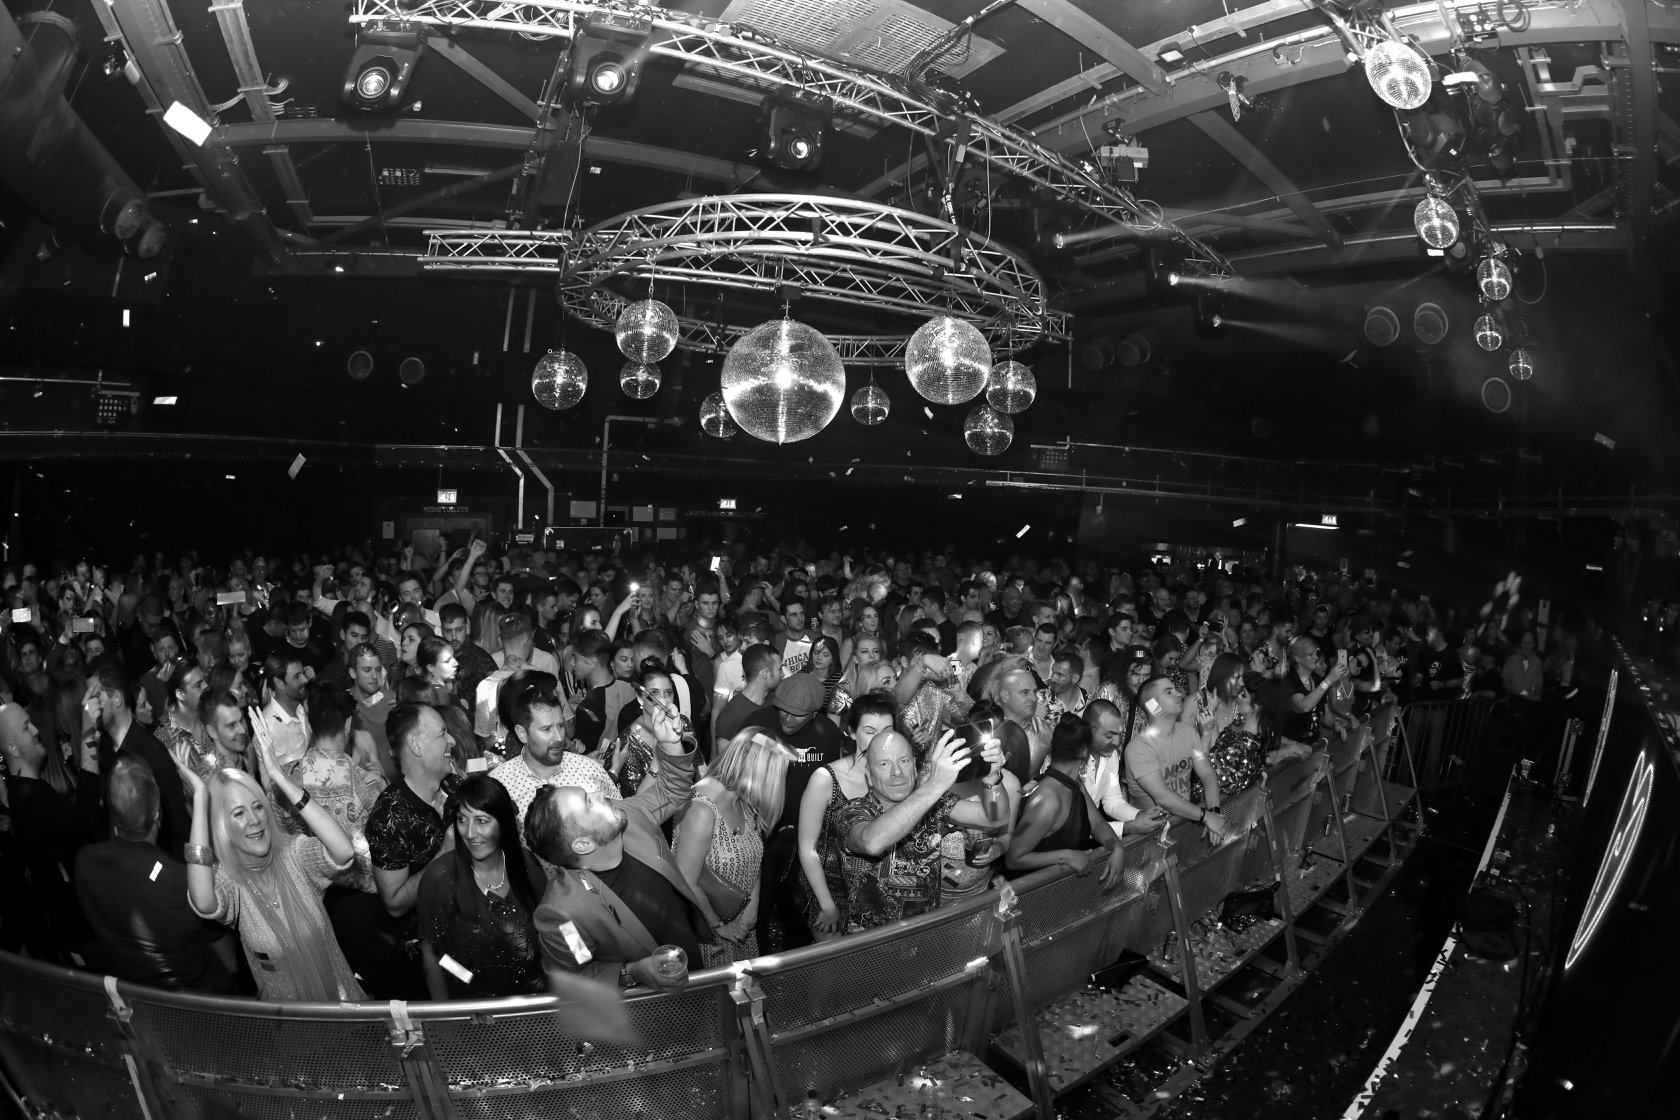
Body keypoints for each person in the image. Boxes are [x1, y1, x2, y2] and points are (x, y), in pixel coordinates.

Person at [178, 719, 366, 1002]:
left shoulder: (294, 855)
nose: (254, 820)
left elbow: (344, 851)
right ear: (222, 827)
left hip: (342, 1006)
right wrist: (201, 797)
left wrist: (280, 777)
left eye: (258, 807)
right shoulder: (231, 882)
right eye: (239, 813)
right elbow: (203, 901)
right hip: (286, 1021)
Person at [525, 701, 706, 991]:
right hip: (649, 1009)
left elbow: (671, 791)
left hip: (699, 973)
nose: (600, 794)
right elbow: (574, 978)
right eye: (588, 803)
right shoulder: (563, 916)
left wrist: (670, 744)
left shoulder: (629, 817)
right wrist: (632, 971)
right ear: (583, 844)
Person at [74, 757, 236, 992]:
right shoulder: (177, 879)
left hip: (135, 993)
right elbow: (226, 955)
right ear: (158, 815)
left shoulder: (85, 861)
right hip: (195, 995)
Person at [833, 729, 993, 932]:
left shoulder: (933, 802)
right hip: (872, 943)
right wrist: (934, 785)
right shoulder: (851, 811)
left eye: (904, 761)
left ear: (915, 768)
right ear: (869, 775)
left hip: (925, 934)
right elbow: (872, 843)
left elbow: (992, 817)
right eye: (884, 764)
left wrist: (992, 778)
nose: (897, 772)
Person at [739, 672, 846, 949]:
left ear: (814, 714)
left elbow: (837, 784)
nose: (787, 719)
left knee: (800, 904)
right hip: (761, 833)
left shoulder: (828, 734)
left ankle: (796, 959)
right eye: (783, 710)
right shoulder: (756, 726)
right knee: (758, 903)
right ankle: (762, 958)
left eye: (797, 715)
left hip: (807, 836)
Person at [416, 774, 547, 1000]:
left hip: (533, 1002)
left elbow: (555, 925)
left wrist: (582, 966)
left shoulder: (525, 863)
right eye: (462, 820)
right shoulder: (439, 877)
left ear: (504, 822)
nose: (469, 833)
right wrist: (446, 1012)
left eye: (482, 821)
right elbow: (433, 954)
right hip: (474, 1007)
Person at [672, 730, 795, 966]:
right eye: (774, 776)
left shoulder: (743, 801)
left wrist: (752, 904)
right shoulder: (701, 810)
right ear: (756, 771)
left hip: (742, 929)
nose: (776, 784)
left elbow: (754, 855)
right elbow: (685, 880)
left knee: (746, 987)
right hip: (709, 936)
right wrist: (720, 926)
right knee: (719, 989)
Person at [1, 701, 101, 959]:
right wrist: (87, 734)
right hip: (80, 931)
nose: (36, 730)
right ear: (13, 747)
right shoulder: (32, 797)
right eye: (26, 727)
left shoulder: (22, 789)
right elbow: (87, 816)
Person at [796, 692, 895, 941]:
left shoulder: (897, 777)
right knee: (836, 963)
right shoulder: (825, 779)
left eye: (888, 730)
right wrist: (827, 905)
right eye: (870, 731)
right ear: (851, 732)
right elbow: (807, 847)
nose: (881, 739)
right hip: (828, 889)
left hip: (874, 890)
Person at [489, 676, 618, 837]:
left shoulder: (590, 770)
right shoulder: (500, 784)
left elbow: (620, 819)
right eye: (546, 729)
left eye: (560, 726)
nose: (558, 737)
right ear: (522, 734)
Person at [1005, 719, 1127, 888]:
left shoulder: (1075, 784)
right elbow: (1013, 858)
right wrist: (1067, 856)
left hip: (1054, 891)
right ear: (1085, 752)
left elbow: (1097, 824)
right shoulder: (1048, 800)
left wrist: (1116, 847)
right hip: (1024, 894)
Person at [87, 660, 190, 858]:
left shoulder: (152, 752)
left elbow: (179, 825)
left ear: (116, 698)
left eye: (94, 698)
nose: (88, 708)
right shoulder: (103, 749)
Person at [1124, 677, 1228, 842]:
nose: (1179, 694)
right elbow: (1163, 797)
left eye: (1175, 689)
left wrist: (1214, 812)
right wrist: (1206, 816)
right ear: (1153, 706)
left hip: (1181, 827)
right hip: (1149, 839)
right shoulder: (1140, 747)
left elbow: (1207, 774)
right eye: (1169, 692)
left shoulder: (1187, 732)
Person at [1080, 699, 1168, 832]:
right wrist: (1128, 827)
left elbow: (1113, 802)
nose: (1117, 742)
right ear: (1089, 731)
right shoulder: (1071, 760)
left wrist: (1141, 816)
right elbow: (1075, 823)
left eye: (1120, 734)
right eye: (1109, 735)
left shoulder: (1111, 756)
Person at [715, 643, 781, 744]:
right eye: (779, 669)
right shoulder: (731, 717)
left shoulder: (776, 701)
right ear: (765, 674)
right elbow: (724, 753)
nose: (783, 674)